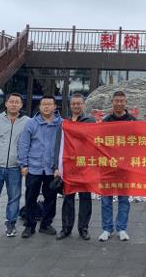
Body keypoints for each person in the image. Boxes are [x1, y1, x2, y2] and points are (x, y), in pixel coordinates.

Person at [0, 93, 29, 238]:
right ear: (6, 103)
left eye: (17, 102)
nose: (14, 104)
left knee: (14, 197)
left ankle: (11, 224)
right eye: (11, 101)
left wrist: (25, 164)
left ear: (21, 105)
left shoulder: (27, 121)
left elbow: (28, 144)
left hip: (15, 167)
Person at [17, 95, 62, 239]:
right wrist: (23, 164)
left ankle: (46, 224)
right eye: (44, 104)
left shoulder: (61, 123)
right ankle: (29, 226)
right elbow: (24, 144)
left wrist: (60, 166)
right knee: (31, 197)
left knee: (51, 197)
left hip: (52, 169)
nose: (46, 107)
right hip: (34, 167)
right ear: (40, 106)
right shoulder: (31, 123)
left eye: (49, 104)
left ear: (55, 106)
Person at [53, 93, 96, 240]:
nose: (76, 106)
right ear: (70, 105)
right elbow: (58, 146)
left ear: (84, 105)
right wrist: (56, 166)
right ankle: (66, 228)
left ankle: (83, 228)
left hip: (85, 166)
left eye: (79, 103)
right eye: (73, 104)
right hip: (69, 166)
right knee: (68, 198)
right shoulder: (64, 123)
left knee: (85, 198)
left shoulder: (91, 122)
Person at [98, 91, 136, 242]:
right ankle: (107, 229)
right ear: (112, 102)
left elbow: (138, 142)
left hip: (125, 167)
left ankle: (121, 228)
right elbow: (100, 143)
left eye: (122, 101)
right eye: (116, 101)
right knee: (106, 199)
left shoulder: (132, 121)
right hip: (108, 166)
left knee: (124, 199)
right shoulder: (106, 121)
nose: (119, 103)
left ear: (125, 103)